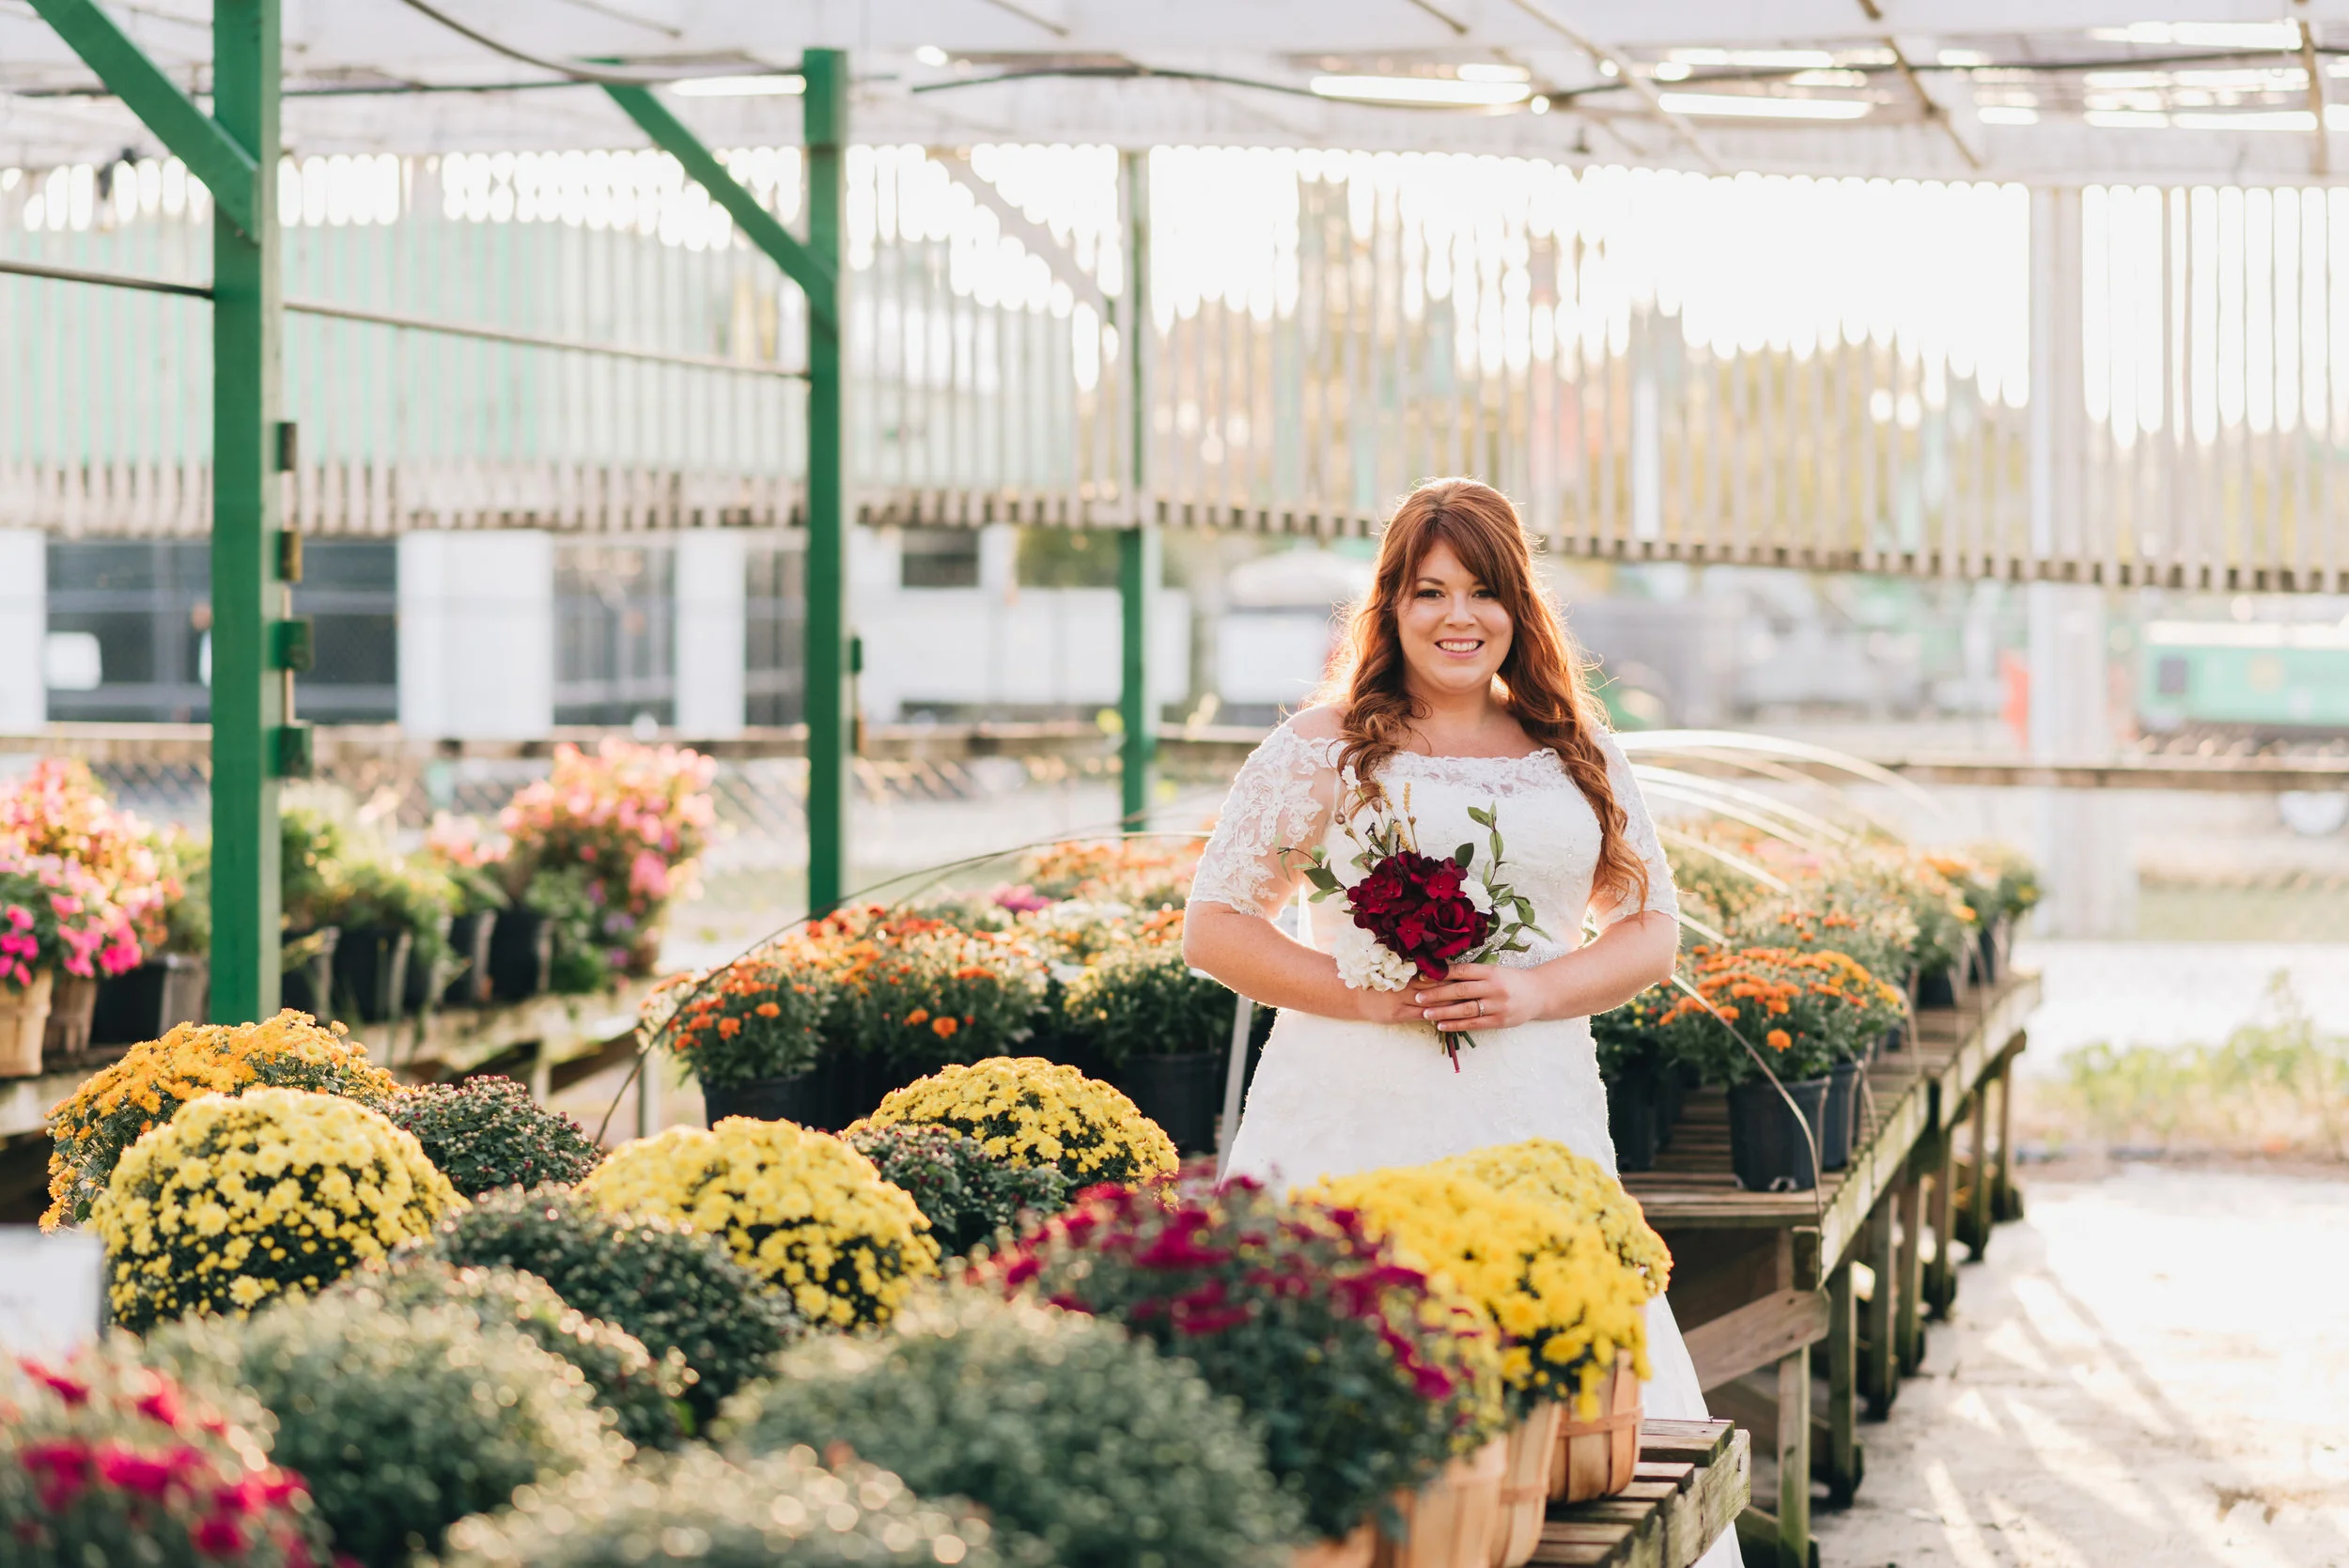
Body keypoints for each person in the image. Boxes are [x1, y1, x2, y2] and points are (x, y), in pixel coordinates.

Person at [1185, 477, 1735, 1568]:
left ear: (1518, 607)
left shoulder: (1572, 745)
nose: (1457, 616)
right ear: (1389, 605)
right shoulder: (1324, 744)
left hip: (1531, 1104)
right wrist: (1365, 995)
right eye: (1428, 590)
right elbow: (1214, 926)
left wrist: (1534, 989)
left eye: (1482, 590)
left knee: (1566, 1425)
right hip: (1349, 1104)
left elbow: (1649, 932)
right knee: (1339, 1392)